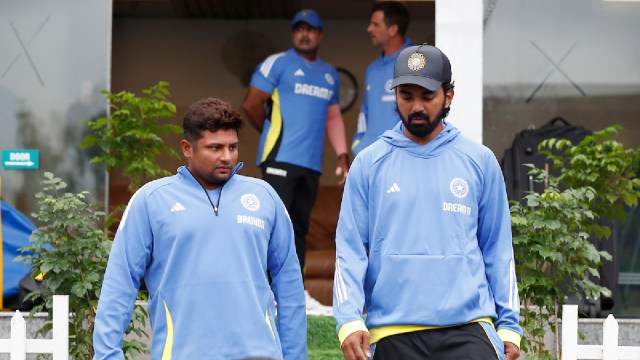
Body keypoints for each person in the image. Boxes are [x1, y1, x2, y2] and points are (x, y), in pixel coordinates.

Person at [333, 44, 522, 360]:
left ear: (448, 96)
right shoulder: (368, 163)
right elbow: (350, 250)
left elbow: (498, 249)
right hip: (392, 330)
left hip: (469, 328)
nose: (416, 106)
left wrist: (509, 325)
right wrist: (349, 319)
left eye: (427, 96)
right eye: (406, 96)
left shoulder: (480, 161)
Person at [93, 98, 307, 359]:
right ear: (187, 148)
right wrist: (106, 355)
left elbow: (289, 283)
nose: (226, 157)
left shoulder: (264, 197)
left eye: (233, 147)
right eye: (215, 147)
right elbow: (120, 283)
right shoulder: (152, 200)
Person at [242, 9, 349, 278]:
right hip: (280, 157)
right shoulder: (277, 63)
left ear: (320, 34)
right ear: (293, 33)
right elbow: (251, 103)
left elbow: (333, 117)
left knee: (300, 227)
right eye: (299, 28)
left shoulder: (329, 75)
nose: (305, 33)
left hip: (310, 163)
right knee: (274, 223)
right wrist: (268, 132)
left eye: (310, 29)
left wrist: (342, 154)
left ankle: (294, 289)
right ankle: (265, 286)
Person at [351, 1, 413, 156]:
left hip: (401, 158)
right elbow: (364, 112)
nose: (369, 29)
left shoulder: (414, 61)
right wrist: (358, 144)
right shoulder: (372, 69)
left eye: (375, 24)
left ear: (392, 29)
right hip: (370, 157)